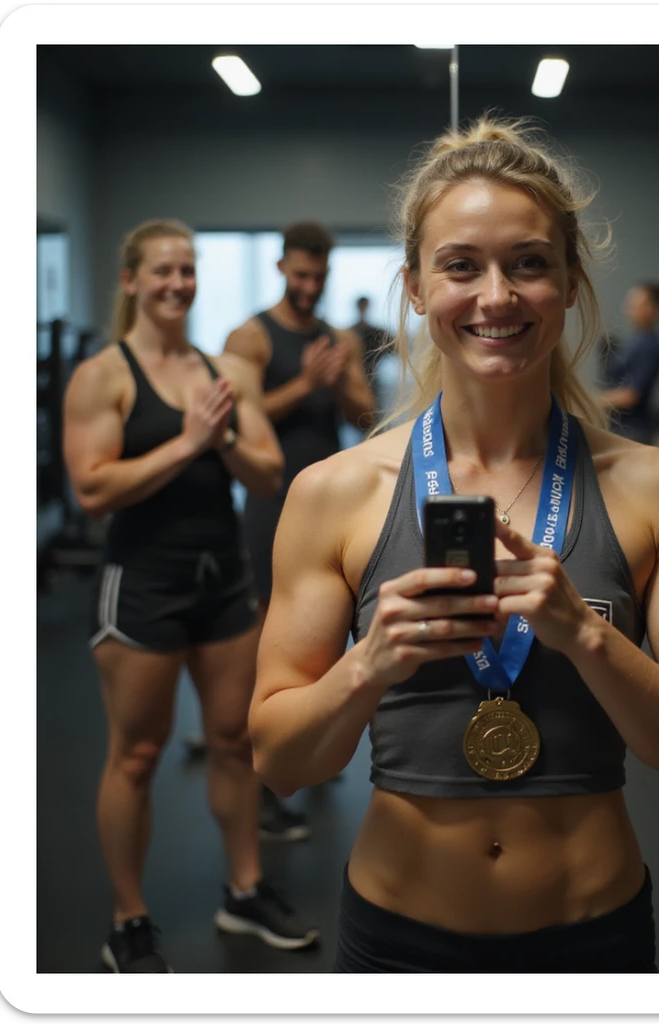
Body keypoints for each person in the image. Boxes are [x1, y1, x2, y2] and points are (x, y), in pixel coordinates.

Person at [248, 116, 659, 973]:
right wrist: (369, 662)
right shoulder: (333, 495)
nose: (496, 297)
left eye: (528, 263)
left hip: (593, 939)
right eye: (460, 265)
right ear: (413, 284)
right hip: (396, 942)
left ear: (569, 279)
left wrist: (589, 636)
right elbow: (282, 762)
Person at [63, 219, 320, 973]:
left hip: (224, 580)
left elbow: (269, 473)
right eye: (163, 271)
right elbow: (91, 490)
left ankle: (244, 891)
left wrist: (225, 438)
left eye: (188, 270)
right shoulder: (102, 376)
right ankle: (128, 921)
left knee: (238, 742)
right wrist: (186, 442)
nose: (177, 283)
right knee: (137, 755)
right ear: (132, 281)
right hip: (142, 583)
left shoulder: (227, 374)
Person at [223, 222, 376, 841]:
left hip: (331, 506)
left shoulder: (337, 339)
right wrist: (305, 385)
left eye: (320, 277)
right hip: (270, 501)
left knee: (324, 634)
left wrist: (337, 380)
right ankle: (262, 785)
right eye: (300, 275)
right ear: (282, 268)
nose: (310, 287)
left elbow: (367, 415)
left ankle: (307, 748)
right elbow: (239, 415)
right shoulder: (250, 336)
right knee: (270, 636)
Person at [598, 281, 659, 445]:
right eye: (629, 304)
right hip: (619, 427)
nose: (628, 310)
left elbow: (631, 395)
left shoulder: (649, 345)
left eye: (635, 305)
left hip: (633, 431)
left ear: (653, 309)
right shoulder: (636, 341)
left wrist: (589, 401)